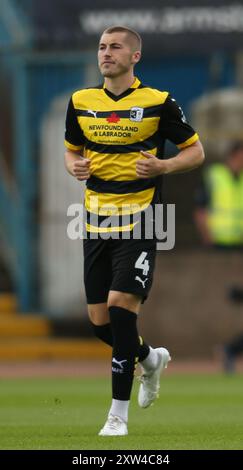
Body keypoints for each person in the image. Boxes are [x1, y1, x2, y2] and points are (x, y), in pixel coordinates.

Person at [64, 25, 205, 436]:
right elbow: (73, 150)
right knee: (99, 323)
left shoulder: (159, 102)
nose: (106, 53)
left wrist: (163, 166)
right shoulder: (81, 101)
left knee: (120, 308)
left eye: (115, 48)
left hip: (143, 220)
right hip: (93, 221)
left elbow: (196, 151)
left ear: (135, 57)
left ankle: (117, 417)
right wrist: (72, 165)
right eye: (102, 47)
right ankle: (150, 360)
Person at [194, 141, 243, 372]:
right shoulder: (215, 175)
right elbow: (201, 209)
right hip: (220, 249)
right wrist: (208, 238)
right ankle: (230, 350)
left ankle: (230, 350)